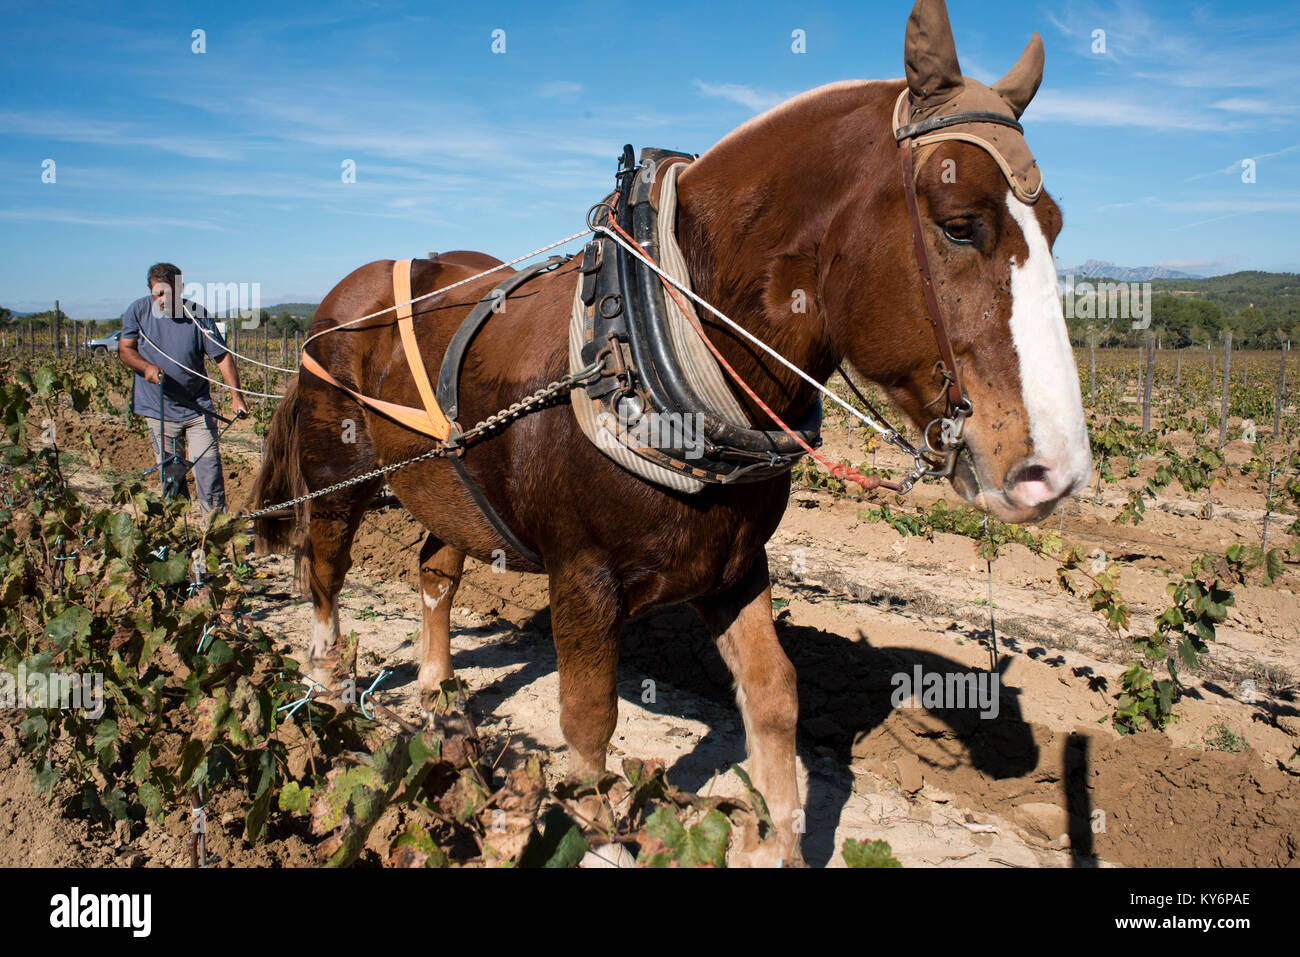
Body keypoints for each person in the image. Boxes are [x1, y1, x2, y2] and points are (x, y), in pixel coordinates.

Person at [117, 262, 248, 516]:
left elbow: (221, 357)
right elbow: (125, 350)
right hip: (159, 412)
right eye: (158, 294)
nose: (164, 300)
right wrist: (145, 368)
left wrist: (236, 396)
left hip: (197, 410)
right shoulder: (137, 311)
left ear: (182, 289)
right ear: (149, 290)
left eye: (170, 294)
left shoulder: (197, 314)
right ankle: (179, 532)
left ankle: (213, 530)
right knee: (171, 476)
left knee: (209, 472)